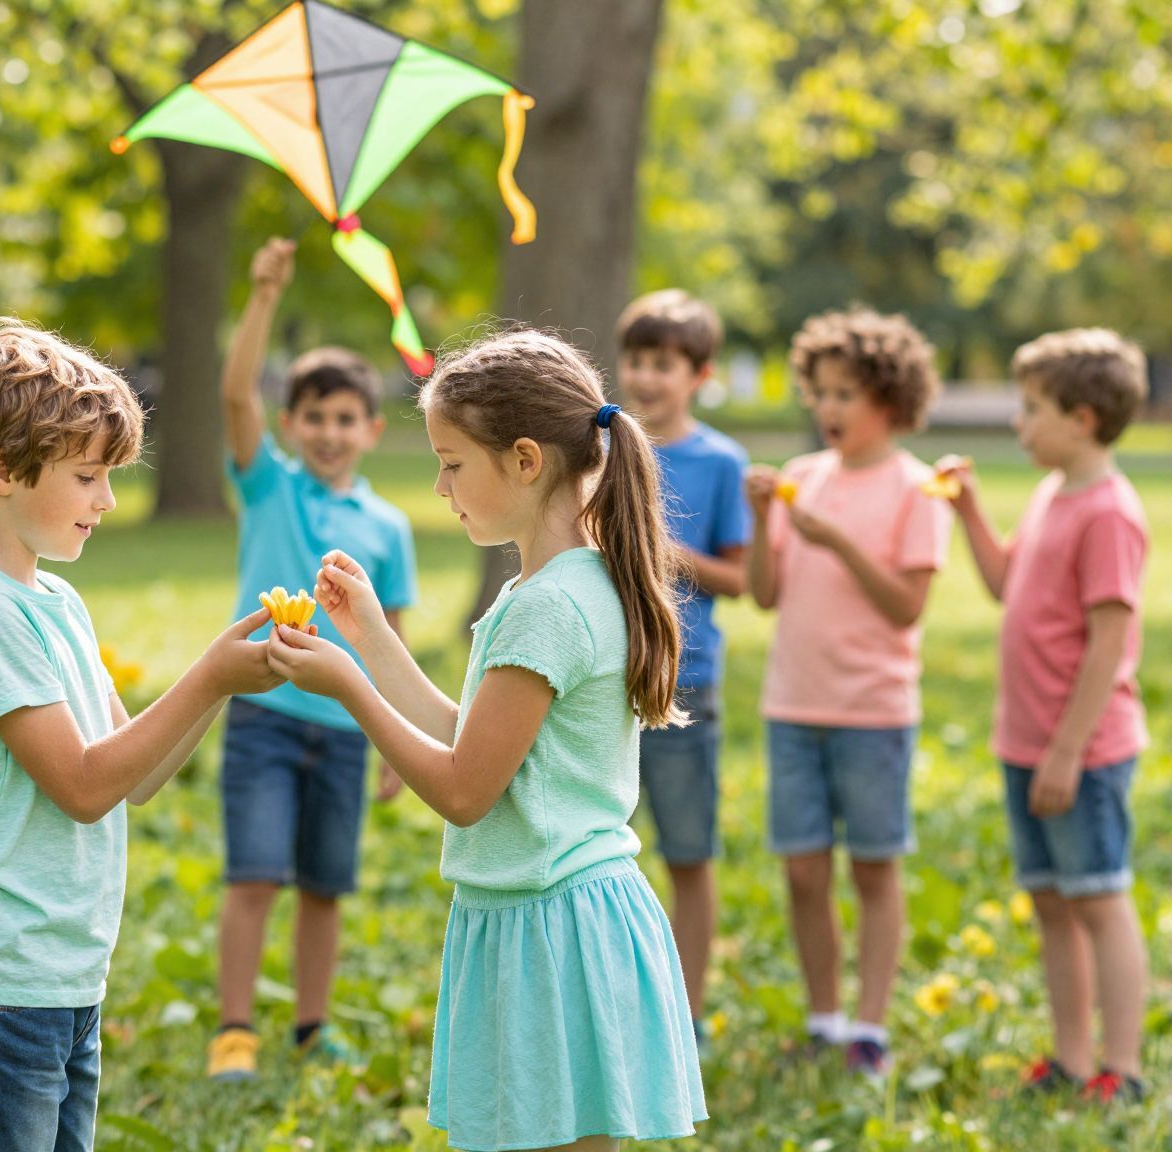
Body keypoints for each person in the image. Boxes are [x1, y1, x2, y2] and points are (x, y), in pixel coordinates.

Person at [265, 329, 705, 1150]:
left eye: (453, 463)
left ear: (525, 460)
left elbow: (467, 791)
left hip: (553, 927)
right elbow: (475, 738)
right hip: (553, 915)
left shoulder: (547, 608)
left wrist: (350, 688)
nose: (440, 485)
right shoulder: (568, 584)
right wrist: (372, 638)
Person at [0, 320, 281, 1150]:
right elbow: (81, 787)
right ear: (1, 472)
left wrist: (225, 683)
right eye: (86, 477)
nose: (106, 501)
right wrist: (208, 677)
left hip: (62, 974)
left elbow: (132, 776)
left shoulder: (55, 604)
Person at [209, 239, 418, 1081]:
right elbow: (235, 394)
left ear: (371, 429)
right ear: (290, 424)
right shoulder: (270, 486)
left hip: (345, 727)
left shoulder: (389, 527)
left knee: (326, 886)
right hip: (263, 715)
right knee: (255, 877)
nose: (329, 432)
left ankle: (310, 1025)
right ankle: (234, 1029)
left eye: (345, 419)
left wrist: (398, 737)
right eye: (314, 417)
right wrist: (263, 295)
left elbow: (390, 638)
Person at [937, 328, 1151, 1104]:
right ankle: (1071, 1058)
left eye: (1031, 409)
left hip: (1081, 752)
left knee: (1098, 899)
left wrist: (1067, 751)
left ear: (1082, 419)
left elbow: (1108, 646)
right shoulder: (1052, 491)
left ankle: (1123, 1069)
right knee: (1054, 904)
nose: (1018, 423)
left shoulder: (1110, 513)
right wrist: (969, 512)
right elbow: (1006, 584)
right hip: (1027, 743)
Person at [744, 308, 949, 1076]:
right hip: (792, 706)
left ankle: (871, 1026)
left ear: (890, 401)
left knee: (872, 868)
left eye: (845, 394)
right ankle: (824, 1018)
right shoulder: (801, 478)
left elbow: (906, 607)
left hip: (872, 712)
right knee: (803, 871)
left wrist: (838, 541)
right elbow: (765, 595)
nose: (827, 408)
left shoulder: (916, 489)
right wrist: (763, 519)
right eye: (820, 392)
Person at [615, 289, 750, 1045]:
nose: (644, 376)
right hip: (601, 682)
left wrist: (660, 550)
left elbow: (739, 578)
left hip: (683, 682)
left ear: (698, 375)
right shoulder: (603, 448)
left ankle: (686, 1014)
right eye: (635, 359)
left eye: (662, 364)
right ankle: (613, 1001)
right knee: (600, 855)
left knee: (688, 853)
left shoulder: (721, 462)